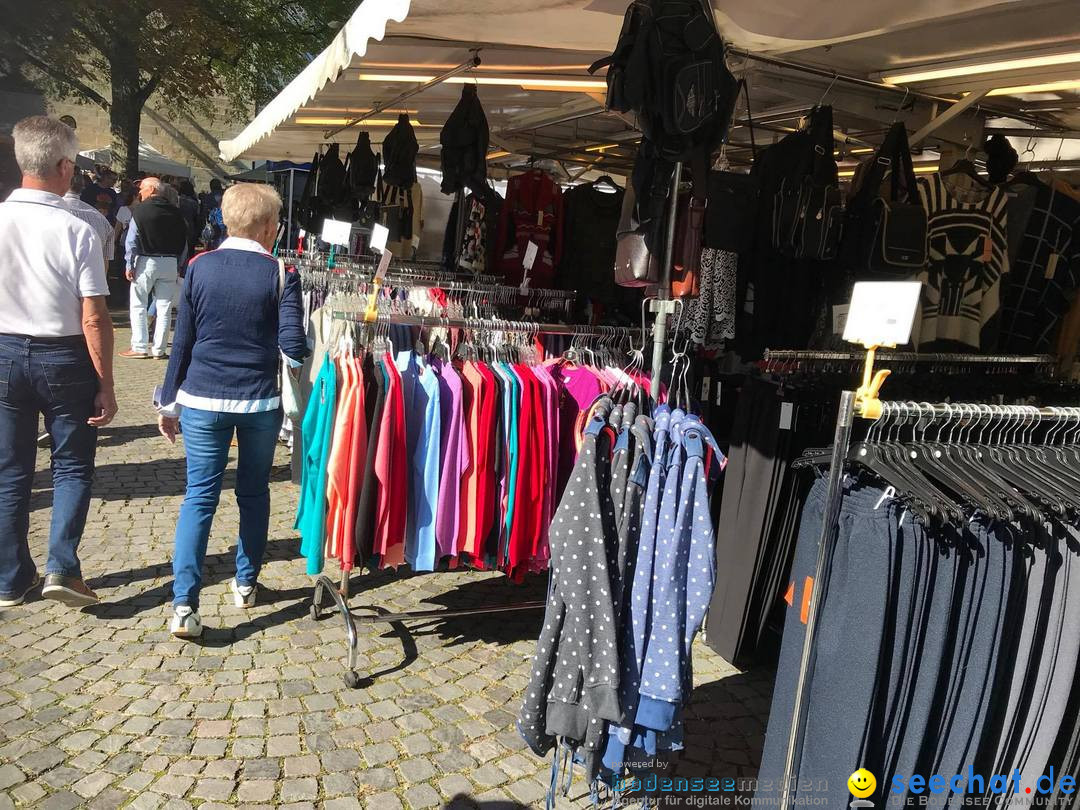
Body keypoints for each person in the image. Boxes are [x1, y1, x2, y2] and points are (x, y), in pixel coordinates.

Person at [157, 183, 306, 637]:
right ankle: (245, 582)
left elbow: (182, 341)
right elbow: (294, 348)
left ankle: (183, 604)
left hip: (201, 398)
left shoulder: (199, 267)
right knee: (253, 492)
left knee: (199, 497)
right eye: (276, 222)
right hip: (259, 401)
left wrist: (168, 402)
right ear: (266, 226)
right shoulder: (281, 272)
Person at [0, 116, 118, 608]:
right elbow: (94, 316)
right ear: (65, 166)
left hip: (4, 349)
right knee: (71, 466)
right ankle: (61, 568)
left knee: (10, 470)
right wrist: (107, 383)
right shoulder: (77, 227)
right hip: (63, 353)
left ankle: (9, 577)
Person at [121, 178, 188, 359]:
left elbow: (131, 240)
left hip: (146, 261)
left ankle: (139, 346)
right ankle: (159, 349)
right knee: (164, 307)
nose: (139, 193)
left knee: (138, 304)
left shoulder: (140, 211)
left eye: (142, 189)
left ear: (151, 190)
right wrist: (180, 264)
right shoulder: (176, 213)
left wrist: (129, 263)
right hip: (170, 262)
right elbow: (184, 242)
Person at [63, 172, 115, 266]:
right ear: (83, 187)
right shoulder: (103, 222)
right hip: (91, 274)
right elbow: (105, 261)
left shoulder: (50, 211)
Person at [176, 179, 200, 258]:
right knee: (189, 254)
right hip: (190, 230)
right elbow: (196, 217)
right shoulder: (193, 203)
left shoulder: (176, 200)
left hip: (178, 228)